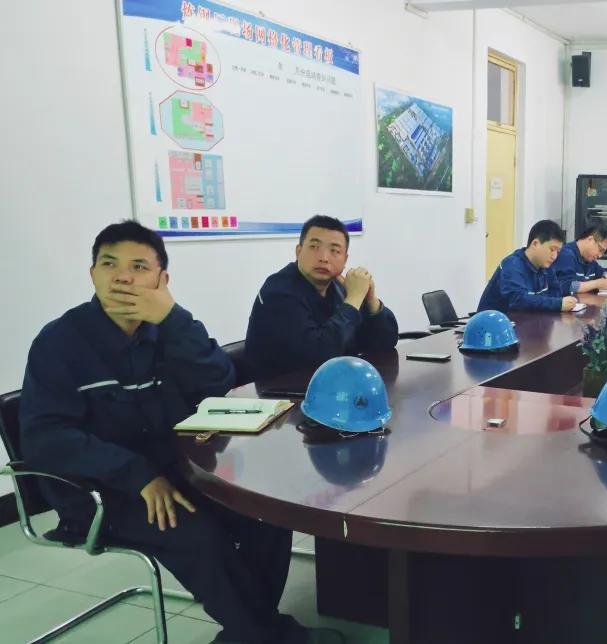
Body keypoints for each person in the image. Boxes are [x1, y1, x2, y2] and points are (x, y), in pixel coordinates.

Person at [19, 221, 308, 644]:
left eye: (139, 267)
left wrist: (174, 319)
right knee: (198, 534)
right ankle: (268, 634)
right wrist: (138, 475)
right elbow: (47, 438)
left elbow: (218, 382)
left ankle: (252, 632)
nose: (123, 277)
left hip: (176, 470)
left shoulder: (169, 331)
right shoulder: (60, 342)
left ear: (162, 280)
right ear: (93, 274)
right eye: (109, 264)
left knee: (269, 512)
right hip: (100, 487)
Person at [246, 215, 399, 379]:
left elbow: (385, 342)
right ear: (298, 251)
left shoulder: (338, 287)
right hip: (277, 390)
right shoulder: (278, 291)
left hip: (329, 384)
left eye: (334, 251)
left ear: (345, 260)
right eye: (314, 247)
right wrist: (353, 299)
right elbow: (318, 356)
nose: (324, 258)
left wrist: (370, 299)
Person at [477, 219, 578, 313]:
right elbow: (518, 300)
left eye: (558, 251)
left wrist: (544, 302)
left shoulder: (546, 265)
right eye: (552, 249)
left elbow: (556, 292)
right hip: (494, 323)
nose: (554, 256)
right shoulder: (512, 265)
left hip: (527, 320)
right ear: (535, 244)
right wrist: (557, 304)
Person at [552, 226, 607, 294]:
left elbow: (601, 271)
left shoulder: (589, 259)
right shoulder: (566, 254)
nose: (600, 255)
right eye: (600, 250)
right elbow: (566, 286)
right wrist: (596, 284)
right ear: (590, 239)